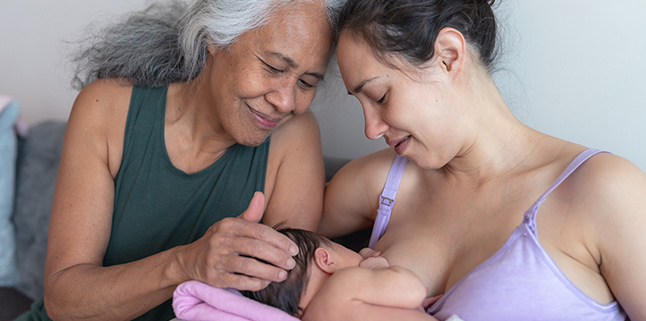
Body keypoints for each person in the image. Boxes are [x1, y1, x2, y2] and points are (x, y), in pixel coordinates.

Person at [15, 0, 346, 320]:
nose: (286, 101)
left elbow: (285, 305)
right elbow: (64, 302)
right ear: (214, 37)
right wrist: (187, 262)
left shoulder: (294, 137)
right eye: (273, 68)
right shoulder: (105, 109)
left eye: (306, 82)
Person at [320, 0, 646, 320]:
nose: (370, 129)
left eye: (380, 97)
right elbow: (283, 242)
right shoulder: (380, 184)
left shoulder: (605, 191)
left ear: (448, 56)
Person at [242, 227, 444, 321]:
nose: (360, 256)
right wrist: (377, 267)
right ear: (326, 259)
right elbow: (413, 291)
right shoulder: (343, 283)